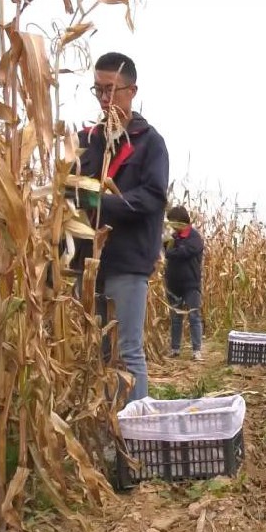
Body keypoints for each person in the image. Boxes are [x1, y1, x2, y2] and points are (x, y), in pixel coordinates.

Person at [65, 52, 168, 403]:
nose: (104, 98)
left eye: (111, 89)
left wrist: (99, 202)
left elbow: (151, 198)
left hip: (127, 262)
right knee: (98, 351)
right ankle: (106, 423)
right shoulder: (86, 140)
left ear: (132, 91)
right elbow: (69, 191)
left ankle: (136, 428)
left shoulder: (150, 143)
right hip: (89, 264)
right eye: (98, 90)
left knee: (128, 352)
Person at [164, 206, 205, 361]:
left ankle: (196, 351)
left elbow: (186, 252)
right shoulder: (173, 238)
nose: (172, 225)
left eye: (173, 222)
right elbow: (164, 251)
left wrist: (169, 253)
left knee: (194, 316)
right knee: (175, 318)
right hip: (173, 284)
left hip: (191, 284)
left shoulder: (194, 237)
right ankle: (175, 349)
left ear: (181, 221)